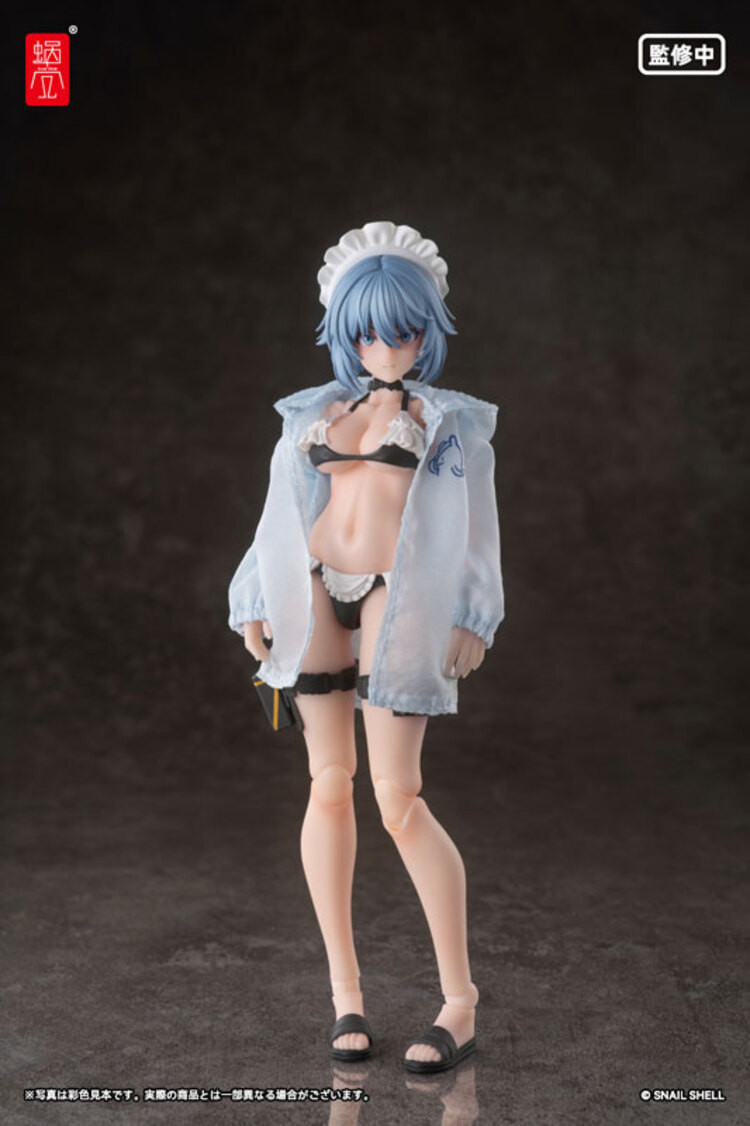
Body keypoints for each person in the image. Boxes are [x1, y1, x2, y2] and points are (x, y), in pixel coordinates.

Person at [228, 221, 504, 1073]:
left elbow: (477, 528)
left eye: (404, 331)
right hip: (315, 585)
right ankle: (346, 996)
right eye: (367, 333)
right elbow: (279, 511)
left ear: (429, 331)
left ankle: (458, 1002)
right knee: (328, 786)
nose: (385, 348)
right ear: (343, 333)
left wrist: (475, 612)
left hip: (395, 592)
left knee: (398, 796)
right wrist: (252, 593)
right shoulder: (316, 412)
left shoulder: (447, 420)